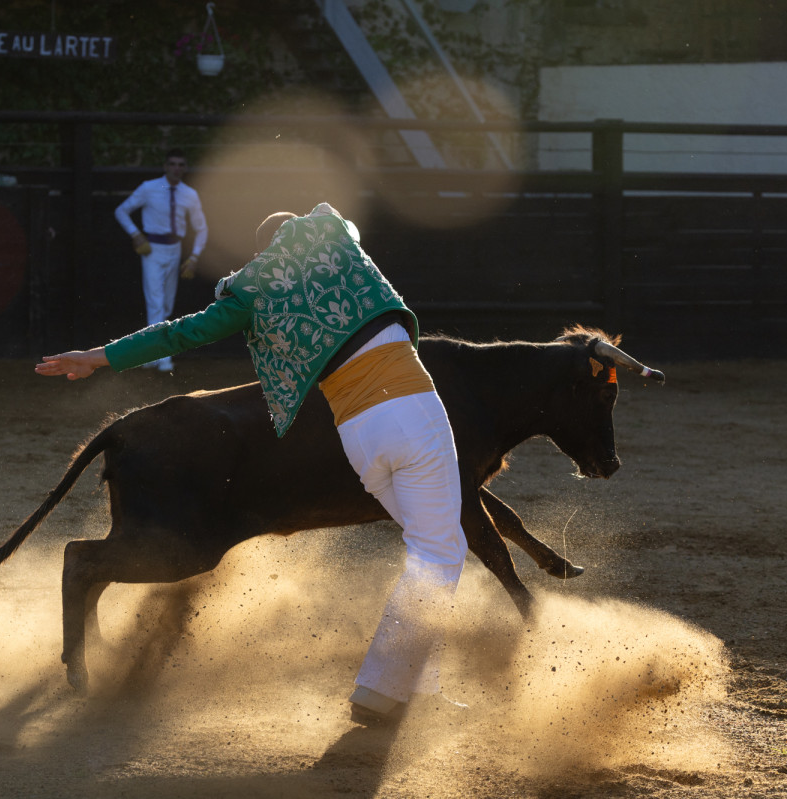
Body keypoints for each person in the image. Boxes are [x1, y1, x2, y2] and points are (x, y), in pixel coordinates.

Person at [36, 203, 468, 724]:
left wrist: (99, 356)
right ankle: (382, 688)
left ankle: (418, 684)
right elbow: (346, 224)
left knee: (436, 547)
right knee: (439, 551)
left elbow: (180, 333)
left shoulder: (253, 290)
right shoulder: (334, 241)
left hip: (357, 434)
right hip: (410, 411)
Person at [112, 148, 208, 373]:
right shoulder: (149, 187)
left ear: (185, 168)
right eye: (172, 164)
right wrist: (136, 234)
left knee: (166, 304)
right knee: (156, 302)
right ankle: (162, 357)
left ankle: (150, 354)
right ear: (165, 166)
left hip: (175, 249)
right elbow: (121, 211)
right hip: (152, 250)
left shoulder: (189, 194)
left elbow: (202, 228)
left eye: (180, 164)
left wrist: (194, 256)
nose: (176, 168)